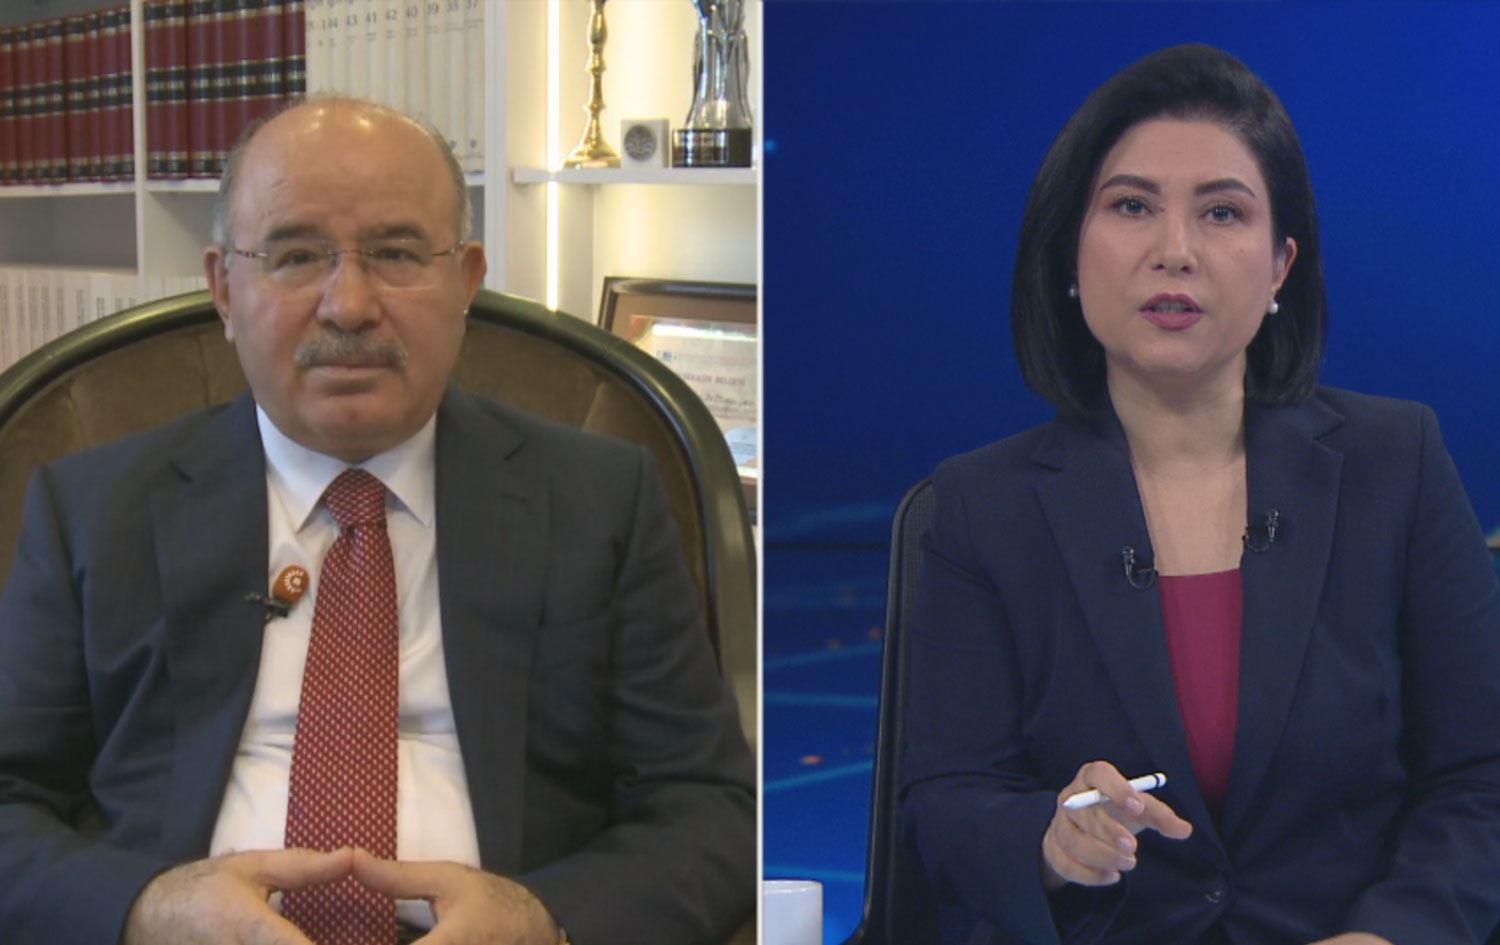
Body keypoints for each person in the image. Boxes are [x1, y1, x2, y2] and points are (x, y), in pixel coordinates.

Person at [0, 97, 754, 945]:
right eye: (295, 256)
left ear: (466, 281)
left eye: (396, 254)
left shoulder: (599, 499)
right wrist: (147, 910)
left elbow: (710, 808)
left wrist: (546, 922)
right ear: (223, 288)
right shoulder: (92, 510)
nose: (349, 305)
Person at [899, 44, 1500, 945]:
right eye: (1132, 206)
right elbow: (945, 801)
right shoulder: (982, 506)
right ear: (1071, 254)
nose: (1174, 251)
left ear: (1281, 265)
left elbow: (1481, 774)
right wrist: (1051, 841)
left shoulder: (1396, 465)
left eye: (1222, 212)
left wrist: (1391, 936)